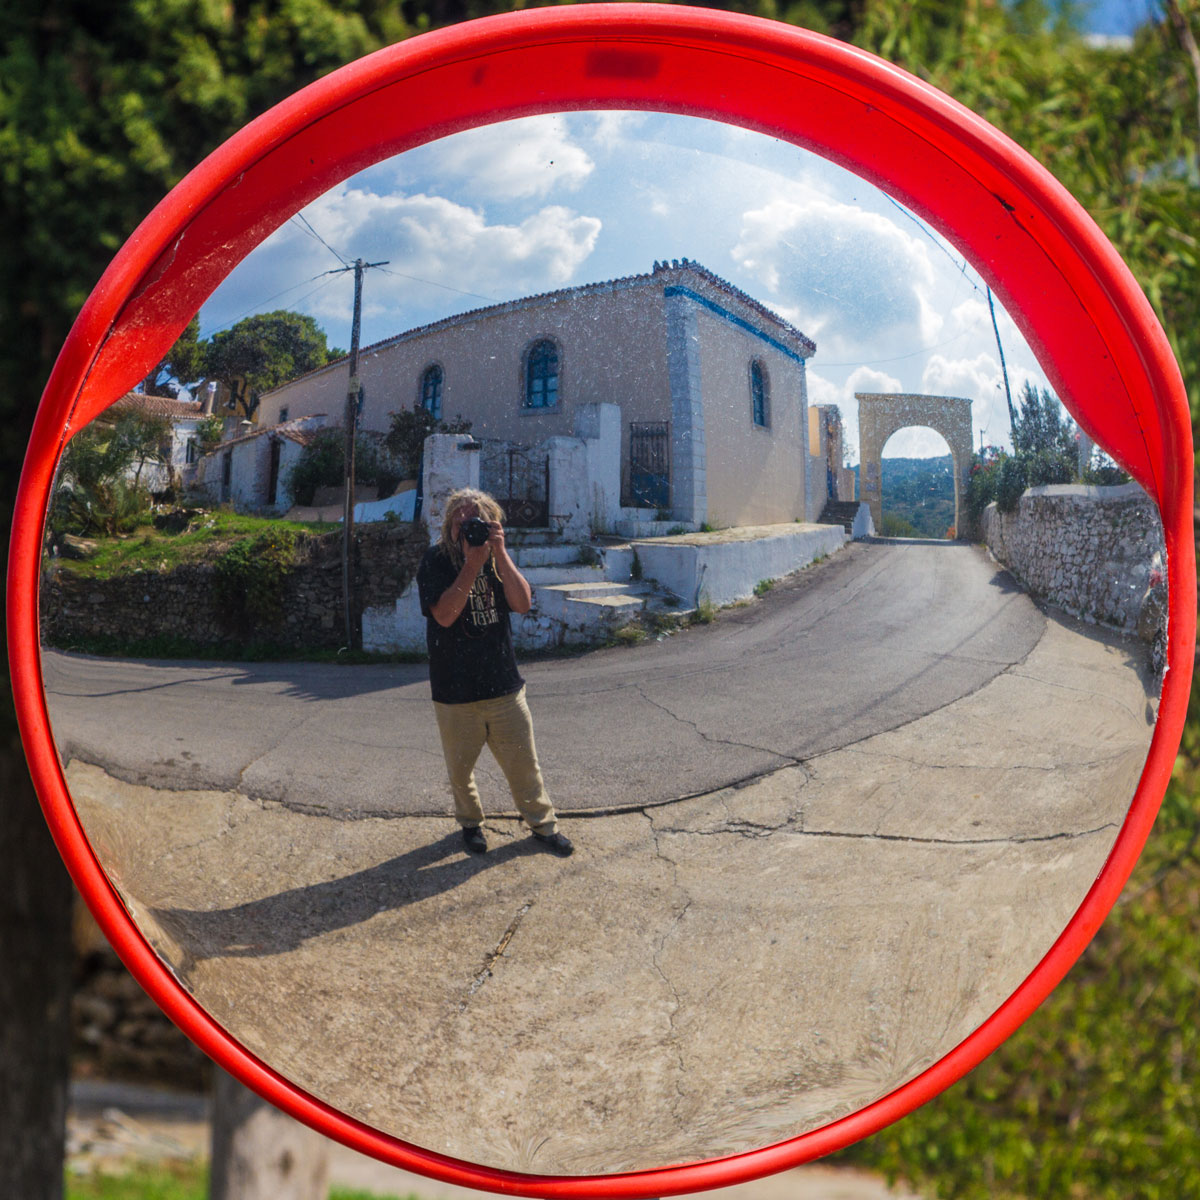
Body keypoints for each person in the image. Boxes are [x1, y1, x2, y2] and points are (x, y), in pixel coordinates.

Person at [416, 488, 574, 857]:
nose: (465, 523)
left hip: (503, 684)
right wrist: (471, 565)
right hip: (454, 689)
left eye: (475, 518)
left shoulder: (497, 559)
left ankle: (543, 826)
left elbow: (522, 604)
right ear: (449, 523)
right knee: (460, 771)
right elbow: (443, 615)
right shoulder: (435, 560)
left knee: (524, 765)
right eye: (459, 516)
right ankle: (470, 825)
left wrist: (499, 553)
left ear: (492, 524)